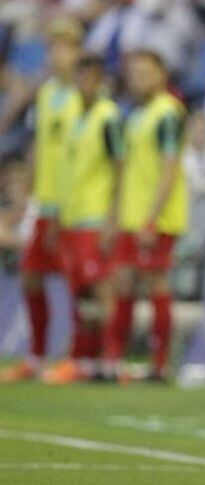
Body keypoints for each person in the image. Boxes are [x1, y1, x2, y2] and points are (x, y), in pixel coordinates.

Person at [1, 18, 84, 383]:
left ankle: (75, 356)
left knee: (75, 284)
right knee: (31, 277)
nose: (57, 55)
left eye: (64, 48)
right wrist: (28, 196)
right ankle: (35, 356)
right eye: (52, 48)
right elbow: (37, 146)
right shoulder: (47, 94)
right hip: (45, 201)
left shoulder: (87, 97)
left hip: (76, 205)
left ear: (78, 53)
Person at [101, 50, 188, 380]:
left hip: (157, 219)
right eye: (133, 72)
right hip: (130, 217)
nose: (138, 78)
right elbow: (126, 173)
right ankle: (113, 361)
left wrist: (152, 218)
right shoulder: (136, 114)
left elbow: (169, 169)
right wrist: (114, 217)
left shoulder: (168, 112)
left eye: (145, 71)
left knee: (156, 285)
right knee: (121, 283)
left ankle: (160, 364)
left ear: (161, 74)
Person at [54, 54, 123, 380]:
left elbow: (120, 167)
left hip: (95, 216)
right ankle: (85, 357)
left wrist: (112, 216)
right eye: (81, 78)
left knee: (101, 288)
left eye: (92, 78)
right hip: (72, 214)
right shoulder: (72, 114)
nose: (86, 85)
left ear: (100, 81)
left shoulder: (108, 116)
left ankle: (110, 359)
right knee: (79, 291)